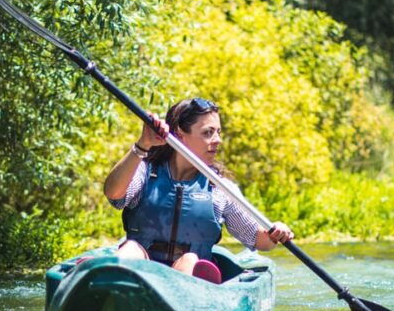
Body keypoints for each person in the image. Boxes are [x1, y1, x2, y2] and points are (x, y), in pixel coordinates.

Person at [103, 97, 294, 284]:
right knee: (130, 249)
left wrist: (275, 233)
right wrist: (142, 145)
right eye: (208, 132)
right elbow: (113, 193)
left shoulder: (219, 188)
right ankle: (120, 292)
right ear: (179, 135)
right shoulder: (144, 171)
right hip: (142, 273)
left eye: (218, 132)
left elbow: (259, 240)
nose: (217, 140)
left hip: (189, 279)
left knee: (189, 260)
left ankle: (176, 300)